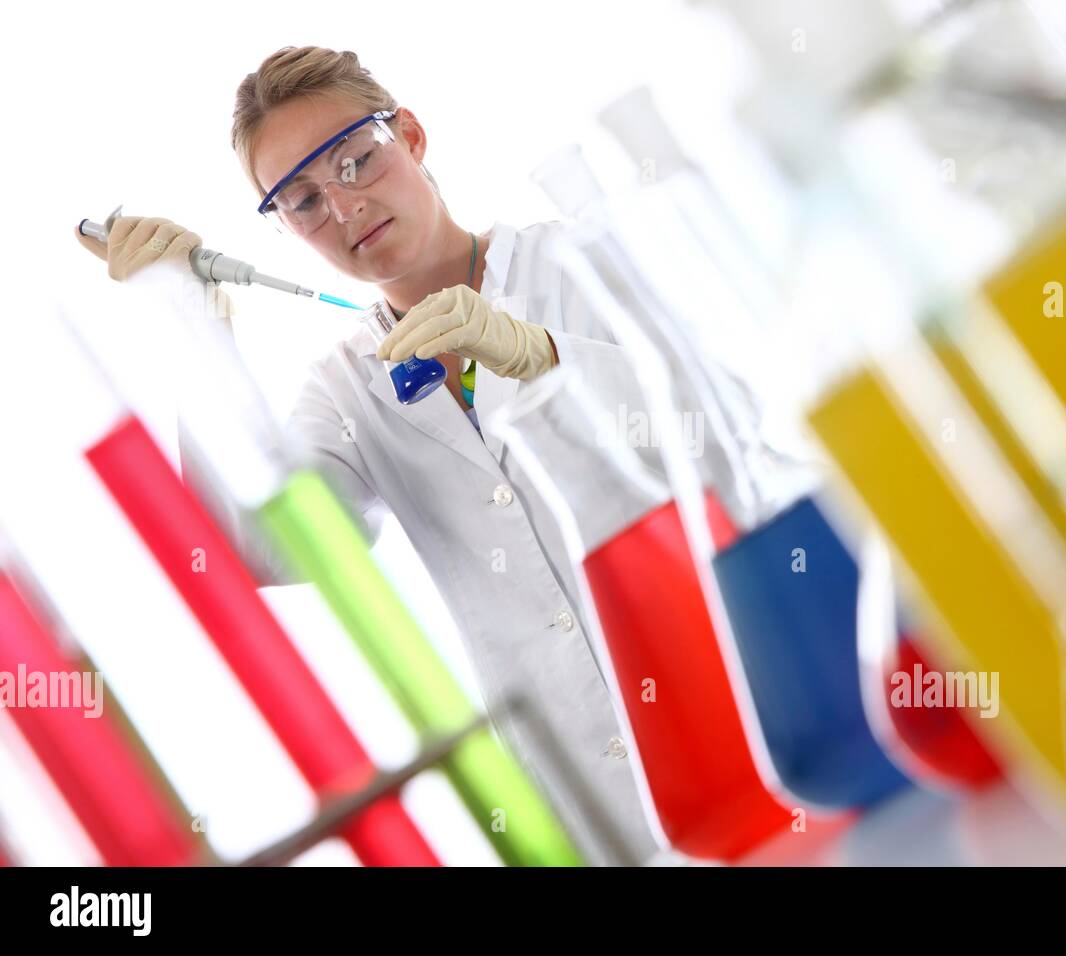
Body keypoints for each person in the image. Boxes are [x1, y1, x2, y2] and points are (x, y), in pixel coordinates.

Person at [74, 45, 664, 866]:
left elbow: (726, 410)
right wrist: (194, 327)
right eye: (304, 200)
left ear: (412, 136)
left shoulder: (578, 259)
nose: (345, 207)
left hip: (728, 702)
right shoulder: (347, 388)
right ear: (281, 229)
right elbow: (259, 550)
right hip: (583, 805)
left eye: (355, 159)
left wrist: (542, 353)